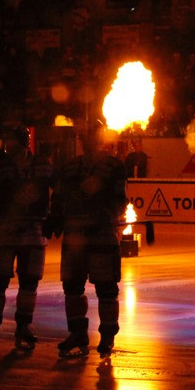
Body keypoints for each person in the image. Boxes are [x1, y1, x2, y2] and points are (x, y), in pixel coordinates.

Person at [49, 120, 128, 358]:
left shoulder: (115, 167)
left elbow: (120, 201)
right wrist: (55, 218)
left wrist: (103, 216)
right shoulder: (69, 167)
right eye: (88, 138)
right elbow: (59, 198)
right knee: (72, 288)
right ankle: (77, 333)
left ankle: (106, 337)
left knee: (106, 289)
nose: (92, 142)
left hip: (102, 235)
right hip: (75, 237)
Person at [0, 125, 55, 350]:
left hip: (33, 231)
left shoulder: (43, 165)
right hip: (4, 232)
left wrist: (55, 218)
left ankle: (23, 326)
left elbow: (58, 191)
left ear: (23, 144)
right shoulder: (0, 166)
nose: (9, 146)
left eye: (13, 142)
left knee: (29, 283)